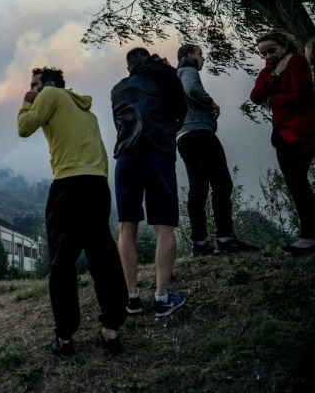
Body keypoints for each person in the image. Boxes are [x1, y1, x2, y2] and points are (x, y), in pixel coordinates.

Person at [17, 67, 128, 358]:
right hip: (97, 185)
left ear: (48, 85)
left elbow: (24, 128)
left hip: (69, 184)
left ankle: (65, 339)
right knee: (102, 256)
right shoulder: (86, 112)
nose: (31, 88)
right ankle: (111, 331)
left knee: (61, 261)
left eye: (34, 84)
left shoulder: (49, 94)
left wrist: (28, 101)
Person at [111, 47, 188, 317]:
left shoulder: (118, 88)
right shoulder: (164, 78)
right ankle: (162, 297)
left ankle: (131, 297)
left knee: (126, 226)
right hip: (157, 154)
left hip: (126, 158)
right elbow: (181, 111)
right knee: (164, 227)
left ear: (128, 68)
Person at [175, 44, 259, 255]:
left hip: (183, 136)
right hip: (200, 134)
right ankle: (225, 239)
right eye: (200, 55)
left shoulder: (173, 77)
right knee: (221, 183)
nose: (203, 59)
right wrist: (212, 103)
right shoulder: (188, 70)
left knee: (198, 189)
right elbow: (192, 89)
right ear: (189, 55)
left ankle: (200, 243)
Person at [250, 30, 315, 255]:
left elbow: (301, 95)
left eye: (272, 50)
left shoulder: (297, 62)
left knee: (298, 184)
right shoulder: (270, 70)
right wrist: (276, 75)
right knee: (295, 184)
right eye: (263, 53)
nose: (268, 56)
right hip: (283, 134)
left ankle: (308, 236)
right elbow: (255, 96)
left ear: (284, 45)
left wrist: (274, 99)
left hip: (299, 133)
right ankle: (308, 234)